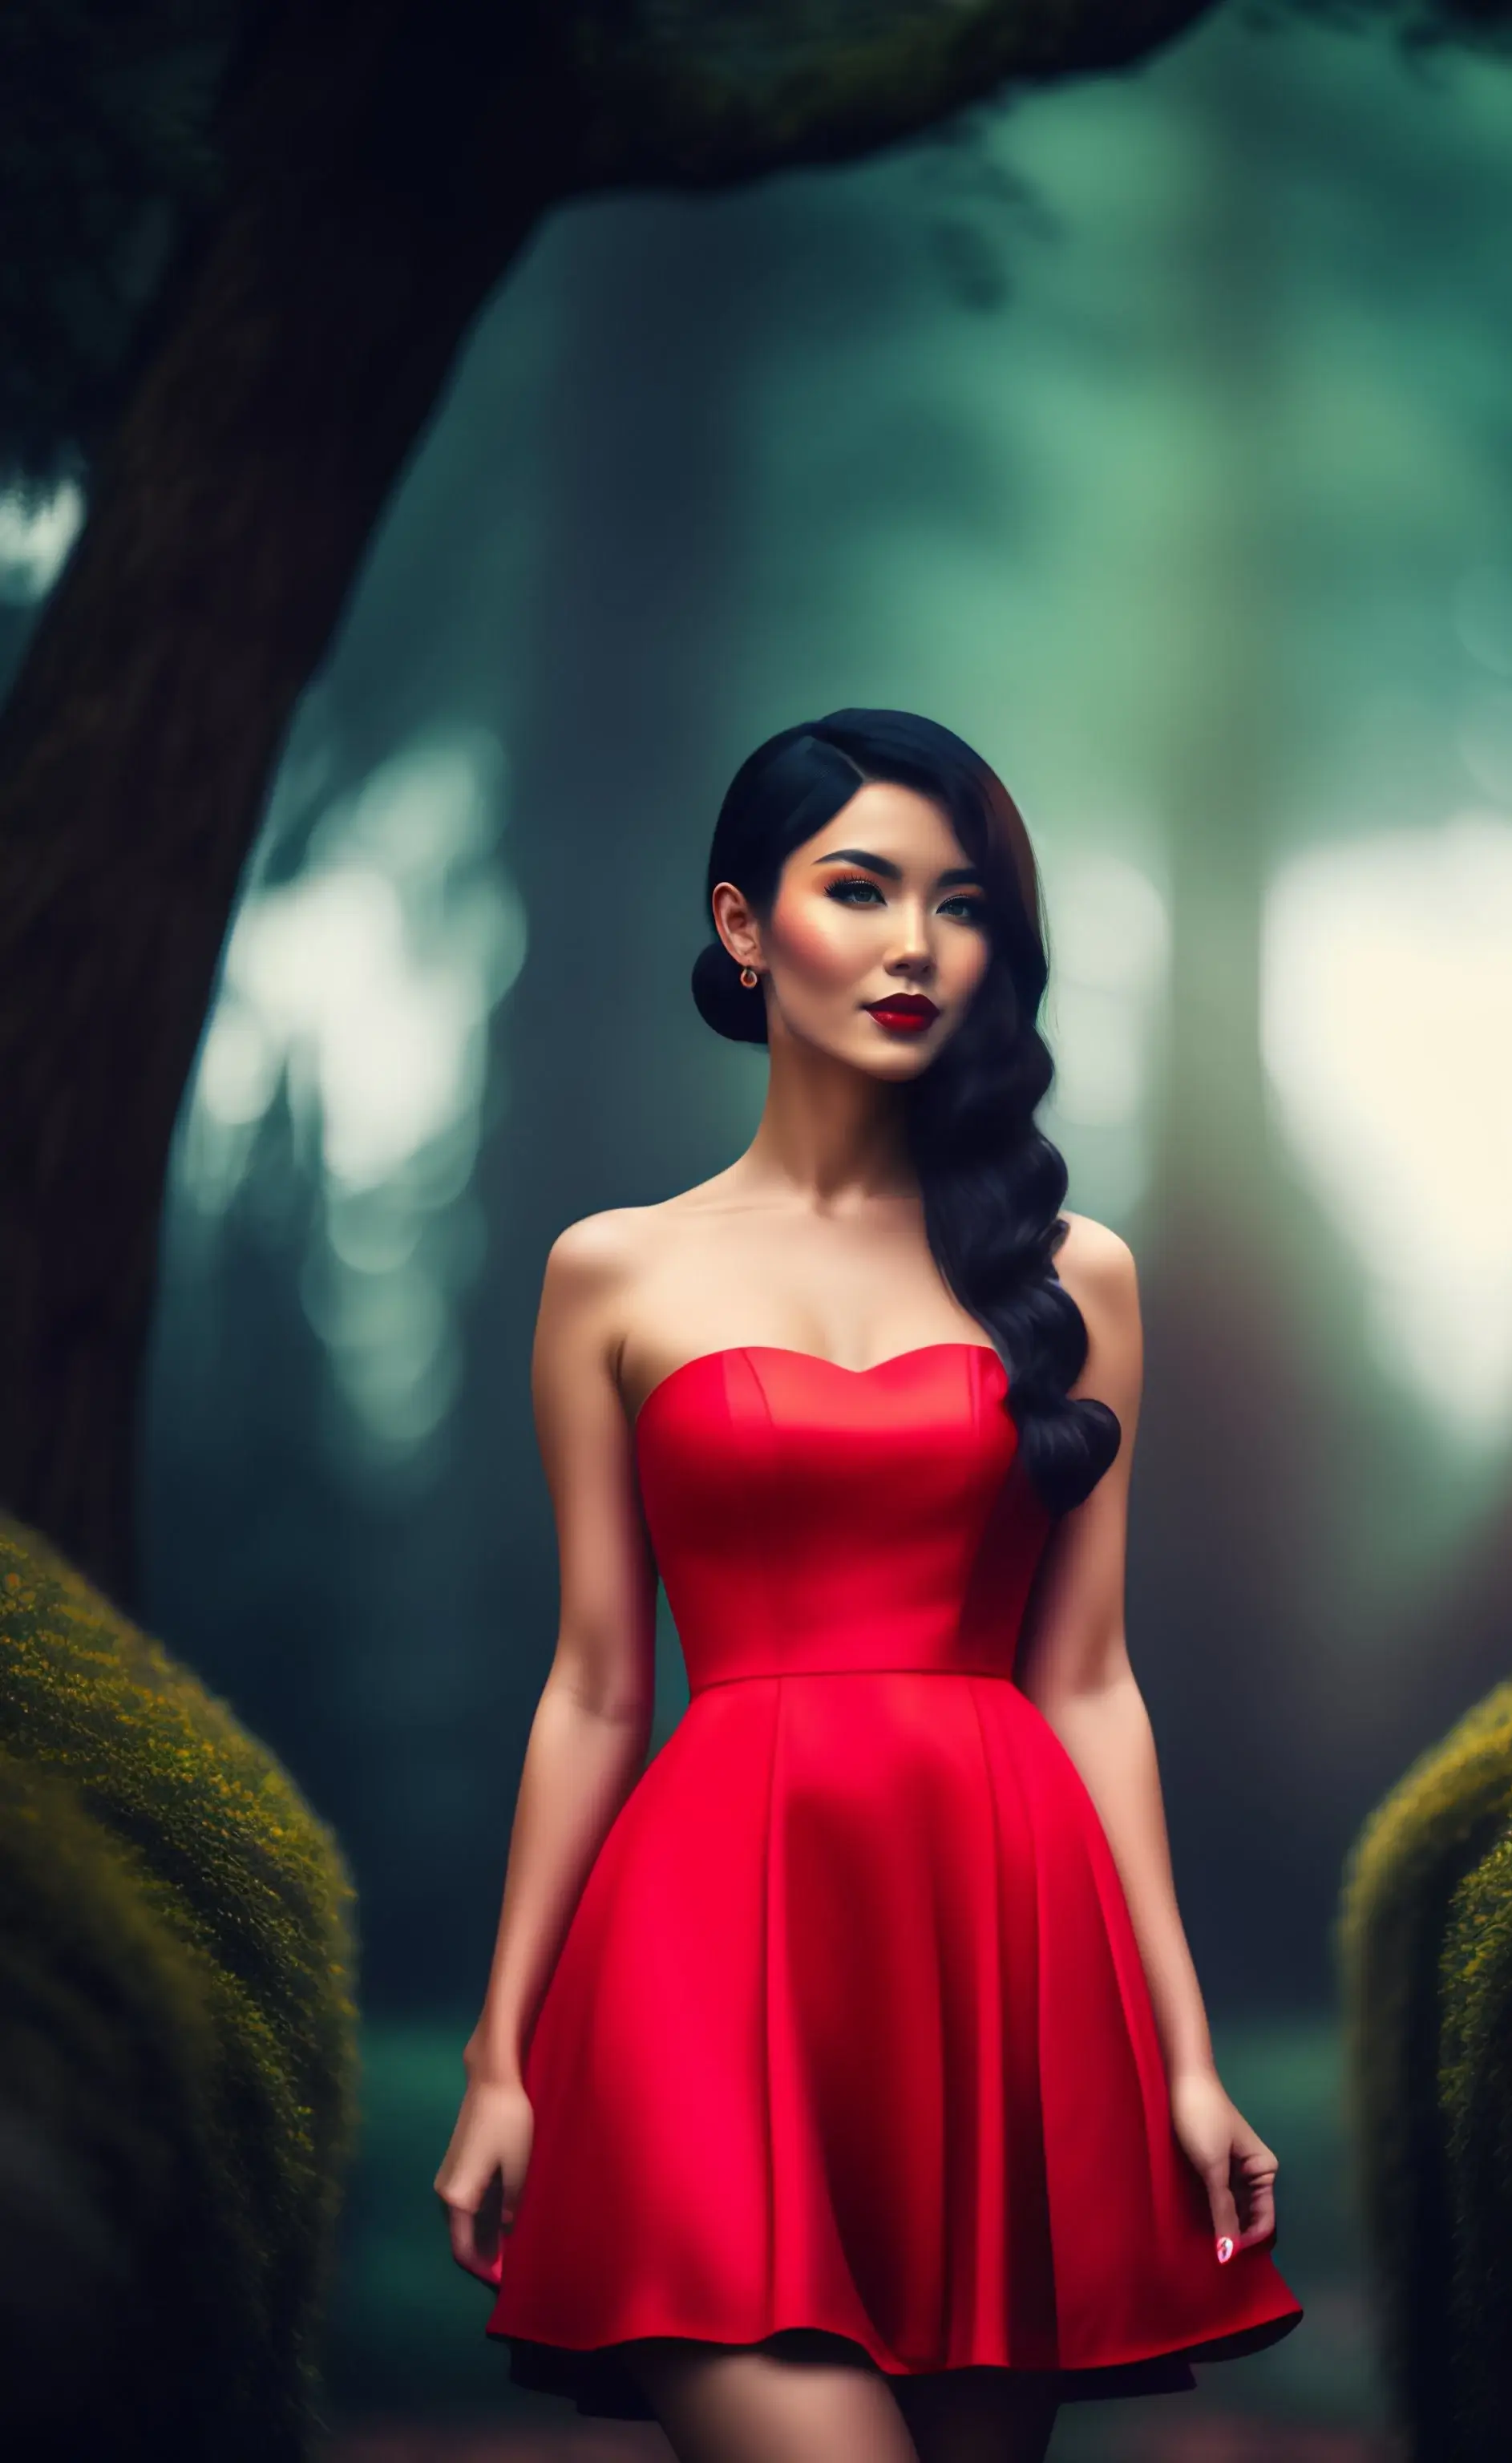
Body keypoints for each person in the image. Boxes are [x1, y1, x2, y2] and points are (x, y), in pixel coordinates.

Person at [435, 710, 1304, 2463]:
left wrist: (1183, 2051)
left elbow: (1089, 1684)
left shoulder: (1078, 1280)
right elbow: (596, 1685)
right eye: (861, 889)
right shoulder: (610, 1273)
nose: (915, 946)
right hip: (705, 1936)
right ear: (745, 925)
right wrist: (500, 2057)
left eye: (961, 903)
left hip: (1002, 1942)